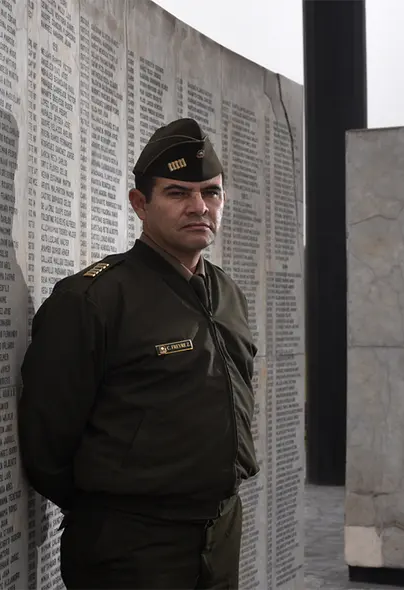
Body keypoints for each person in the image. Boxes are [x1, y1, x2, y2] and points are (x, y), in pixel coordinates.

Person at [17, 117, 259, 589]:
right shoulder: (94, 299)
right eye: (178, 193)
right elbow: (47, 443)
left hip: (221, 532)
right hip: (132, 545)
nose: (199, 207)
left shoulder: (227, 293)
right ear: (139, 203)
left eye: (211, 193)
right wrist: (114, 511)